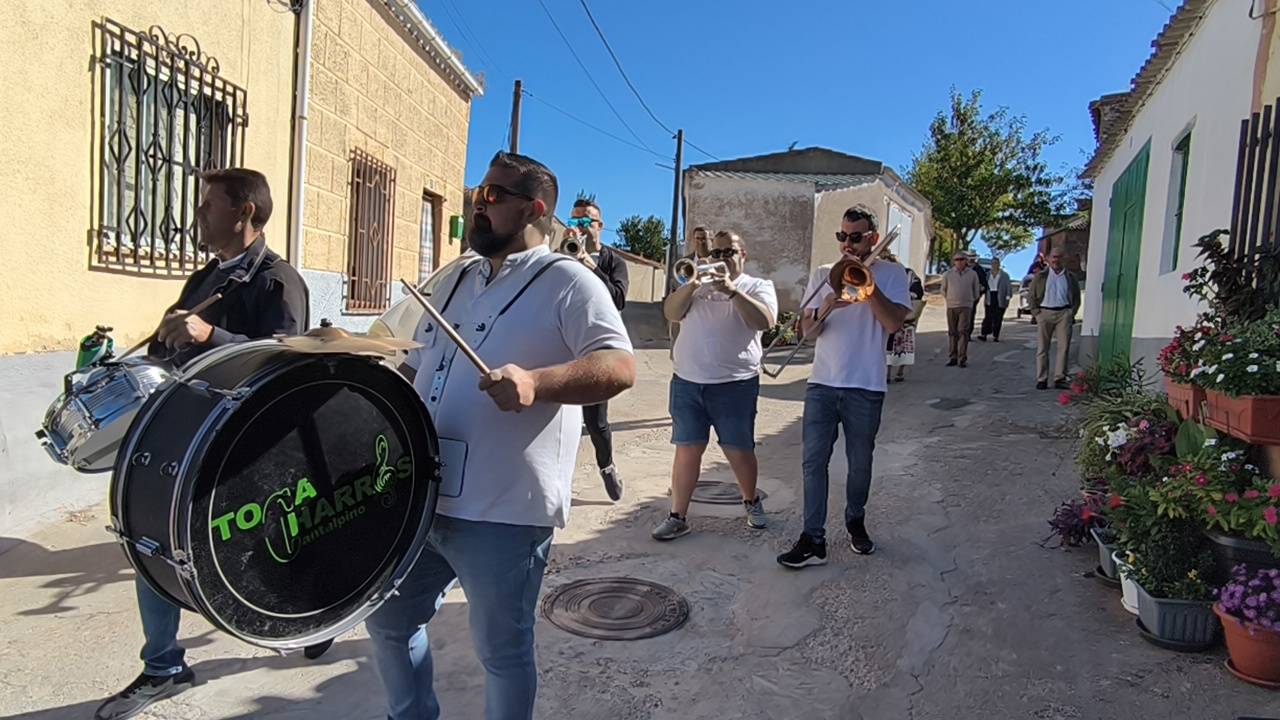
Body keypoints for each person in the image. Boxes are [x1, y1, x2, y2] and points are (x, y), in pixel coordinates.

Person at [366, 151, 635, 720]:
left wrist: (537, 382)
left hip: (503, 507)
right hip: (423, 494)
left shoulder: (569, 281)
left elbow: (619, 366)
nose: (477, 205)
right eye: (477, 194)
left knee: (501, 651)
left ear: (534, 209)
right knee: (389, 620)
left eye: (492, 196)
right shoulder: (455, 278)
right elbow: (416, 364)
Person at [95, 169, 309, 720]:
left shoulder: (279, 281)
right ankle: (164, 665)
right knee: (150, 535)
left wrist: (212, 336)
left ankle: (315, 608)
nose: (198, 215)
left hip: (249, 445)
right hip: (189, 433)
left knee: (276, 540)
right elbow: (169, 353)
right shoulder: (204, 278)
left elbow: (287, 364)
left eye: (209, 205)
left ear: (244, 213)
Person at [776, 206, 911, 568]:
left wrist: (868, 288)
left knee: (860, 463)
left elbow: (894, 324)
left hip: (866, 385)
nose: (847, 244)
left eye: (855, 237)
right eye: (842, 236)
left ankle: (855, 520)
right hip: (822, 382)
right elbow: (808, 333)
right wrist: (825, 306)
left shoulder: (893, 274)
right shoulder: (824, 274)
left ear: (873, 238)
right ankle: (813, 539)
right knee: (812, 462)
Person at [652, 231, 778, 540]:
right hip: (687, 381)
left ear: (743, 255)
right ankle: (678, 516)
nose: (722, 258)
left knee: (739, 450)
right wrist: (692, 284)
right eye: (717, 253)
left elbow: (765, 321)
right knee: (686, 450)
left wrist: (732, 291)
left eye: (729, 252)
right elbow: (671, 313)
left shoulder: (757, 286)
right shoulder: (696, 285)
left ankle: (751, 501)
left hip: (735, 384)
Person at [569, 194, 630, 501]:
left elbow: (617, 299)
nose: (580, 226)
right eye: (575, 220)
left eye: (586, 221)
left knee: (596, 422)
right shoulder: (563, 256)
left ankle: (606, 467)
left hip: (596, 347)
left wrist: (589, 265)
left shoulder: (613, 261)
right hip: (565, 344)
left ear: (599, 225)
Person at [1029, 247, 1081, 390]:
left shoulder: (1070, 277)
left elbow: (1076, 297)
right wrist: (1036, 313)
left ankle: (1060, 378)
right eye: (1054, 257)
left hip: (1063, 313)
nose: (1056, 260)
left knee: (1063, 347)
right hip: (1045, 313)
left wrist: (1071, 313)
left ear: (1064, 259)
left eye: (1059, 257)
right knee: (1042, 348)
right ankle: (1042, 378)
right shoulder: (1041, 276)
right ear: (1049, 259)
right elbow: (1031, 296)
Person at [885, 256, 924, 383]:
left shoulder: (908, 274)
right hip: (889, 314)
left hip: (906, 316)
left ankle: (900, 371)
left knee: (904, 345)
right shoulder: (884, 275)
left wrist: (904, 296)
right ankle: (887, 373)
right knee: (887, 345)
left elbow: (918, 290)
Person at [940, 252, 981, 368]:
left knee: (963, 331)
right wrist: (949, 298)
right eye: (956, 259)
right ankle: (953, 356)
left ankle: (962, 358)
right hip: (951, 306)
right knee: (952, 332)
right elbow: (943, 290)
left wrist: (970, 300)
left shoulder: (972, 274)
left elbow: (976, 290)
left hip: (966, 306)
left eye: (961, 259)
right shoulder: (948, 274)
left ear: (966, 261)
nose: (959, 261)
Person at [978, 257, 1013, 342]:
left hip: (1000, 296)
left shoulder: (1004, 275)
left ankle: (995, 335)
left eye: (996, 263)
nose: (994, 265)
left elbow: (1008, 287)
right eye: (993, 263)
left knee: (998, 317)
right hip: (990, 296)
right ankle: (984, 334)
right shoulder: (987, 275)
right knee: (988, 317)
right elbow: (984, 285)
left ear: (999, 264)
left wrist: (1007, 297)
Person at [967, 251, 988, 341]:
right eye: (970, 258)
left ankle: (967, 334)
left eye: (973, 258)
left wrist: (979, 292)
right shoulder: (963, 268)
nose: (971, 260)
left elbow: (984, 285)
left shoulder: (979, 270)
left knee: (970, 315)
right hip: (961, 297)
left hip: (973, 297)